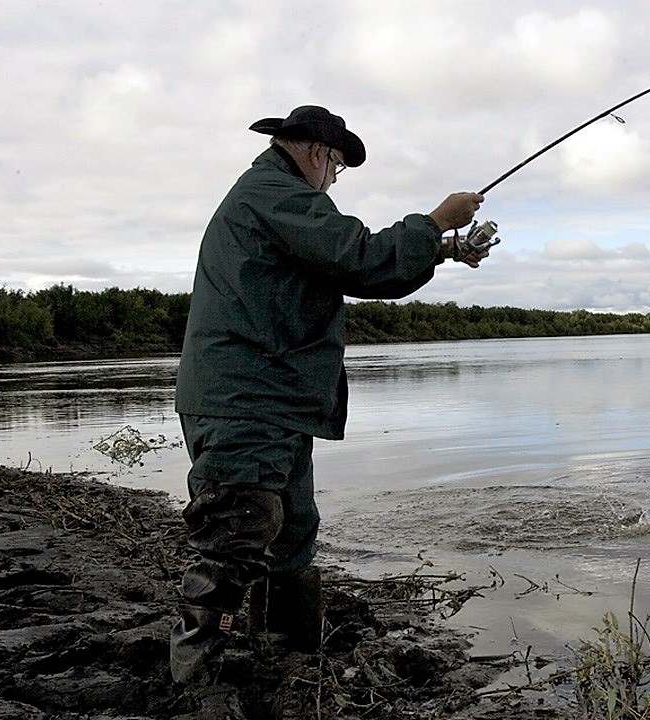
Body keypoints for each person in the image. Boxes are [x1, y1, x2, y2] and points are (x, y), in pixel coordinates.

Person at [170, 105, 489, 684]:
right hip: (244, 398)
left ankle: (290, 659)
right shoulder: (274, 193)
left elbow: (353, 268)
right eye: (337, 166)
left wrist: (443, 250)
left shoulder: (277, 199)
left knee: (291, 533)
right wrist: (436, 221)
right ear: (318, 153)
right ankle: (195, 679)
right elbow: (361, 258)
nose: (335, 179)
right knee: (237, 532)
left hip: (276, 399)